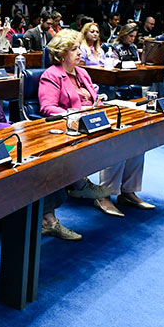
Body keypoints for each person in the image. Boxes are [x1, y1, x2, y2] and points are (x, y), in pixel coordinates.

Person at [0, 31, 83, 240]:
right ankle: (46, 218)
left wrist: (10, 127)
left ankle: (46, 215)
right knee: (36, 161)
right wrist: (8, 128)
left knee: (45, 155)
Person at [39, 29, 150, 218]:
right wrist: (76, 113)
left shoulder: (82, 73)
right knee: (117, 143)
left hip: (95, 120)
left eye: (78, 48)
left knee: (136, 140)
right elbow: (47, 108)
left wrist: (100, 104)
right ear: (61, 54)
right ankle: (104, 196)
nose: (80, 53)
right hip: (74, 127)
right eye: (74, 49)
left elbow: (95, 99)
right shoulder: (51, 75)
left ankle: (128, 191)